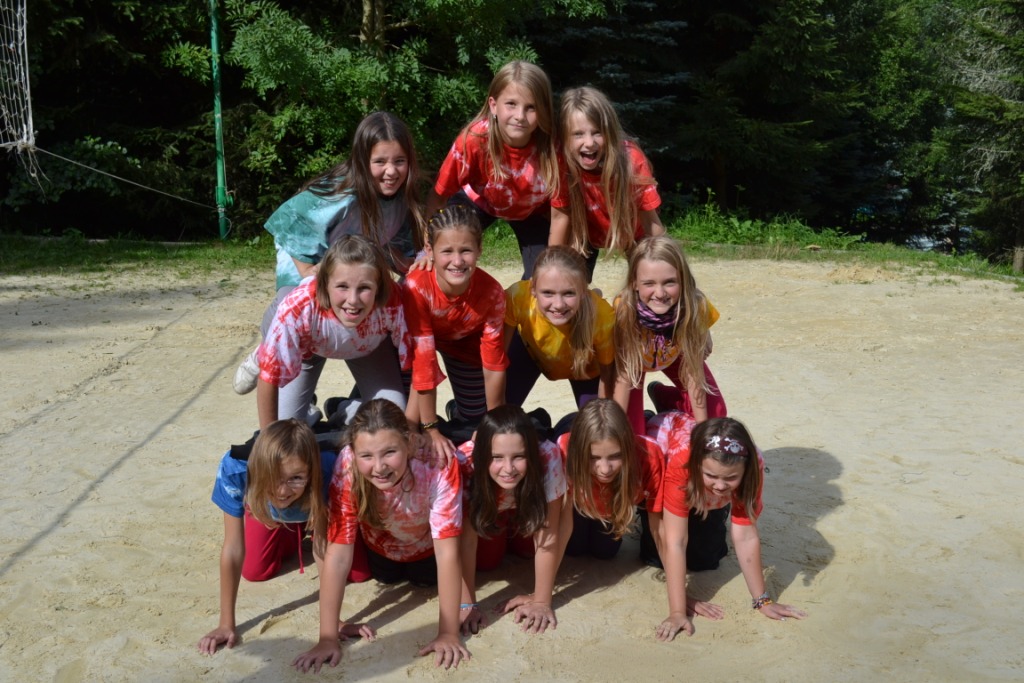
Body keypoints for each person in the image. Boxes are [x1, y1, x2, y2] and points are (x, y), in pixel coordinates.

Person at [234, 112, 425, 411]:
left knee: (375, 300)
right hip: (310, 259)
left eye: (399, 161)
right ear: (362, 161)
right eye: (380, 162)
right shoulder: (340, 192)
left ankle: (345, 410)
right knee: (295, 300)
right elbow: (291, 220)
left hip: (356, 273)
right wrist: (310, 273)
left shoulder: (401, 198)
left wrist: (413, 265)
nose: (391, 171)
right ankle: (268, 350)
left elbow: (393, 246)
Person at [292, 399, 469, 673]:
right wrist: (327, 638)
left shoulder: (436, 465)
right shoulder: (347, 464)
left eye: (389, 452)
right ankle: (343, 406)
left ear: (410, 443)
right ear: (353, 451)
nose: (379, 467)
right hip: (380, 548)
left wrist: (448, 633)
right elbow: (338, 555)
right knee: (373, 575)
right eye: (366, 456)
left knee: (425, 579)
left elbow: (447, 552)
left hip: (425, 549)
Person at [197, 419, 371, 656]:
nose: (282, 490)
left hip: (315, 509)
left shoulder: (328, 466)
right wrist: (226, 624)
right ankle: (291, 533)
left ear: (311, 472)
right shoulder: (236, 468)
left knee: (358, 573)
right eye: (273, 477)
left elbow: (322, 546)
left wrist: (333, 626)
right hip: (267, 510)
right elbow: (233, 547)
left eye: (296, 478)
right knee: (255, 571)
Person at [649, 412, 806, 642]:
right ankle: (655, 413)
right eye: (711, 475)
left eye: (731, 477)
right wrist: (678, 611)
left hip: (699, 489)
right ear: (697, 464)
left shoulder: (754, 465)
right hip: (666, 463)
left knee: (705, 560)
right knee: (654, 555)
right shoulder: (682, 459)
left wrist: (762, 601)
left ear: (745, 470)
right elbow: (675, 540)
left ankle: (707, 499)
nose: (721, 485)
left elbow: (745, 535)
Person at [255, 236, 410, 430]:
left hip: (368, 349)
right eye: (342, 287)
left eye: (364, 288)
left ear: (379, 288)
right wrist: (268, 436)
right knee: (284, 427)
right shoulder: (299, 306)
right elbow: (269, 376)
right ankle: (305, 408)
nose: (353, 300)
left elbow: (413, 362)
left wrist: (414, 424)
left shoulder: (394, 302)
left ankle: (344, 409)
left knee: (394, 421)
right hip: (307, 350)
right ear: (324, 284)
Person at [427, 60, 560, 279]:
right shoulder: (473, 140)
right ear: (493, 105)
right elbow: (438, 196)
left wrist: (555, 264)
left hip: (531, 212)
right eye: (511, 104)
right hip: (478, 200)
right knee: (446, 250)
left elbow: (561, 213)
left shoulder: (553, 146)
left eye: (531, 107)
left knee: (544, 274)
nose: (520, 115)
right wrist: (427, 247)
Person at [402, 205, 508, 460]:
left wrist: (492, 424)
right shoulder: (416, 286)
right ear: (430, 251)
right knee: (401, 422)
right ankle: (353, 403)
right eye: (447, 251)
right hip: (412, 348)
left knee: (476, 420)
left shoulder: (492, 292)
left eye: (466, 251)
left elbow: (493, 365)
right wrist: (429, 428)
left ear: (480, 249)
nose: (457, 261)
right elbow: (423, 360)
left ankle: (456, 410)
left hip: (459, 344)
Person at [456, 405, 571, 635]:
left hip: (524, 508)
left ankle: (544, 421)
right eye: (496, 457)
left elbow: (549, 534)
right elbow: (466, 541)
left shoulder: (548, 455)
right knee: (487, 562)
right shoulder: (464, 462)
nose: (508, 468)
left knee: (528, 550)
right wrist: (467, 605)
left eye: (519, 456)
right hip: (490, 511)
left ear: (531, 453)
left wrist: (541, 601)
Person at [612, 235, 726, 435]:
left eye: (669, 282)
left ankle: (664, 397)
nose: (660, 293)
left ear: (683, 281)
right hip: (634, 367)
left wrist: (701, 430)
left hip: (675, 356)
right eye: (649, 283)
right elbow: (624, 376)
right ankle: (640, 420)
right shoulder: (624, 310)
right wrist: (618, 429)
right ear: (634, 283)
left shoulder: (693, 306)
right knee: (631, 434)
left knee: (715, 415)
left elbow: (693, 373)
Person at [551, 86, 665, 281]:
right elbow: (560, 218)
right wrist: (551, 271)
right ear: (564, 138)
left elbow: (651, 222)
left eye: (597, 132)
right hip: (583, 233)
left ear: (610, 132)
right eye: (578, 134)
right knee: (566, 282)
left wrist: (666, 268)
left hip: (632, 232)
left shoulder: (631, 160)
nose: (589, 143)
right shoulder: (562, 162)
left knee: (648, 282)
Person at [504, 246, 616, 408]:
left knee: (594, 418)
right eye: (548, 293)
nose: (558, 305)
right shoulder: (518, 297)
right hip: (531, 353)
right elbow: (497, 359)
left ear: (583, 291)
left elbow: (608, 375)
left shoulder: (603, 317)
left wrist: (603, 416)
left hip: (586, 368)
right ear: (532, 289)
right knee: (500, 406)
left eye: (568, 293)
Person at [556, 398, 663, 560]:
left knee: (605, 551)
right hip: (581, 491)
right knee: (573, 548)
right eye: (593, 457)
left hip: (606, 499)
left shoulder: (647, 456)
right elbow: (564, 521)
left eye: (615, 456)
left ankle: (646, 417)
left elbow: (659, 522)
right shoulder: (565, 451)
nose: (605, 469)